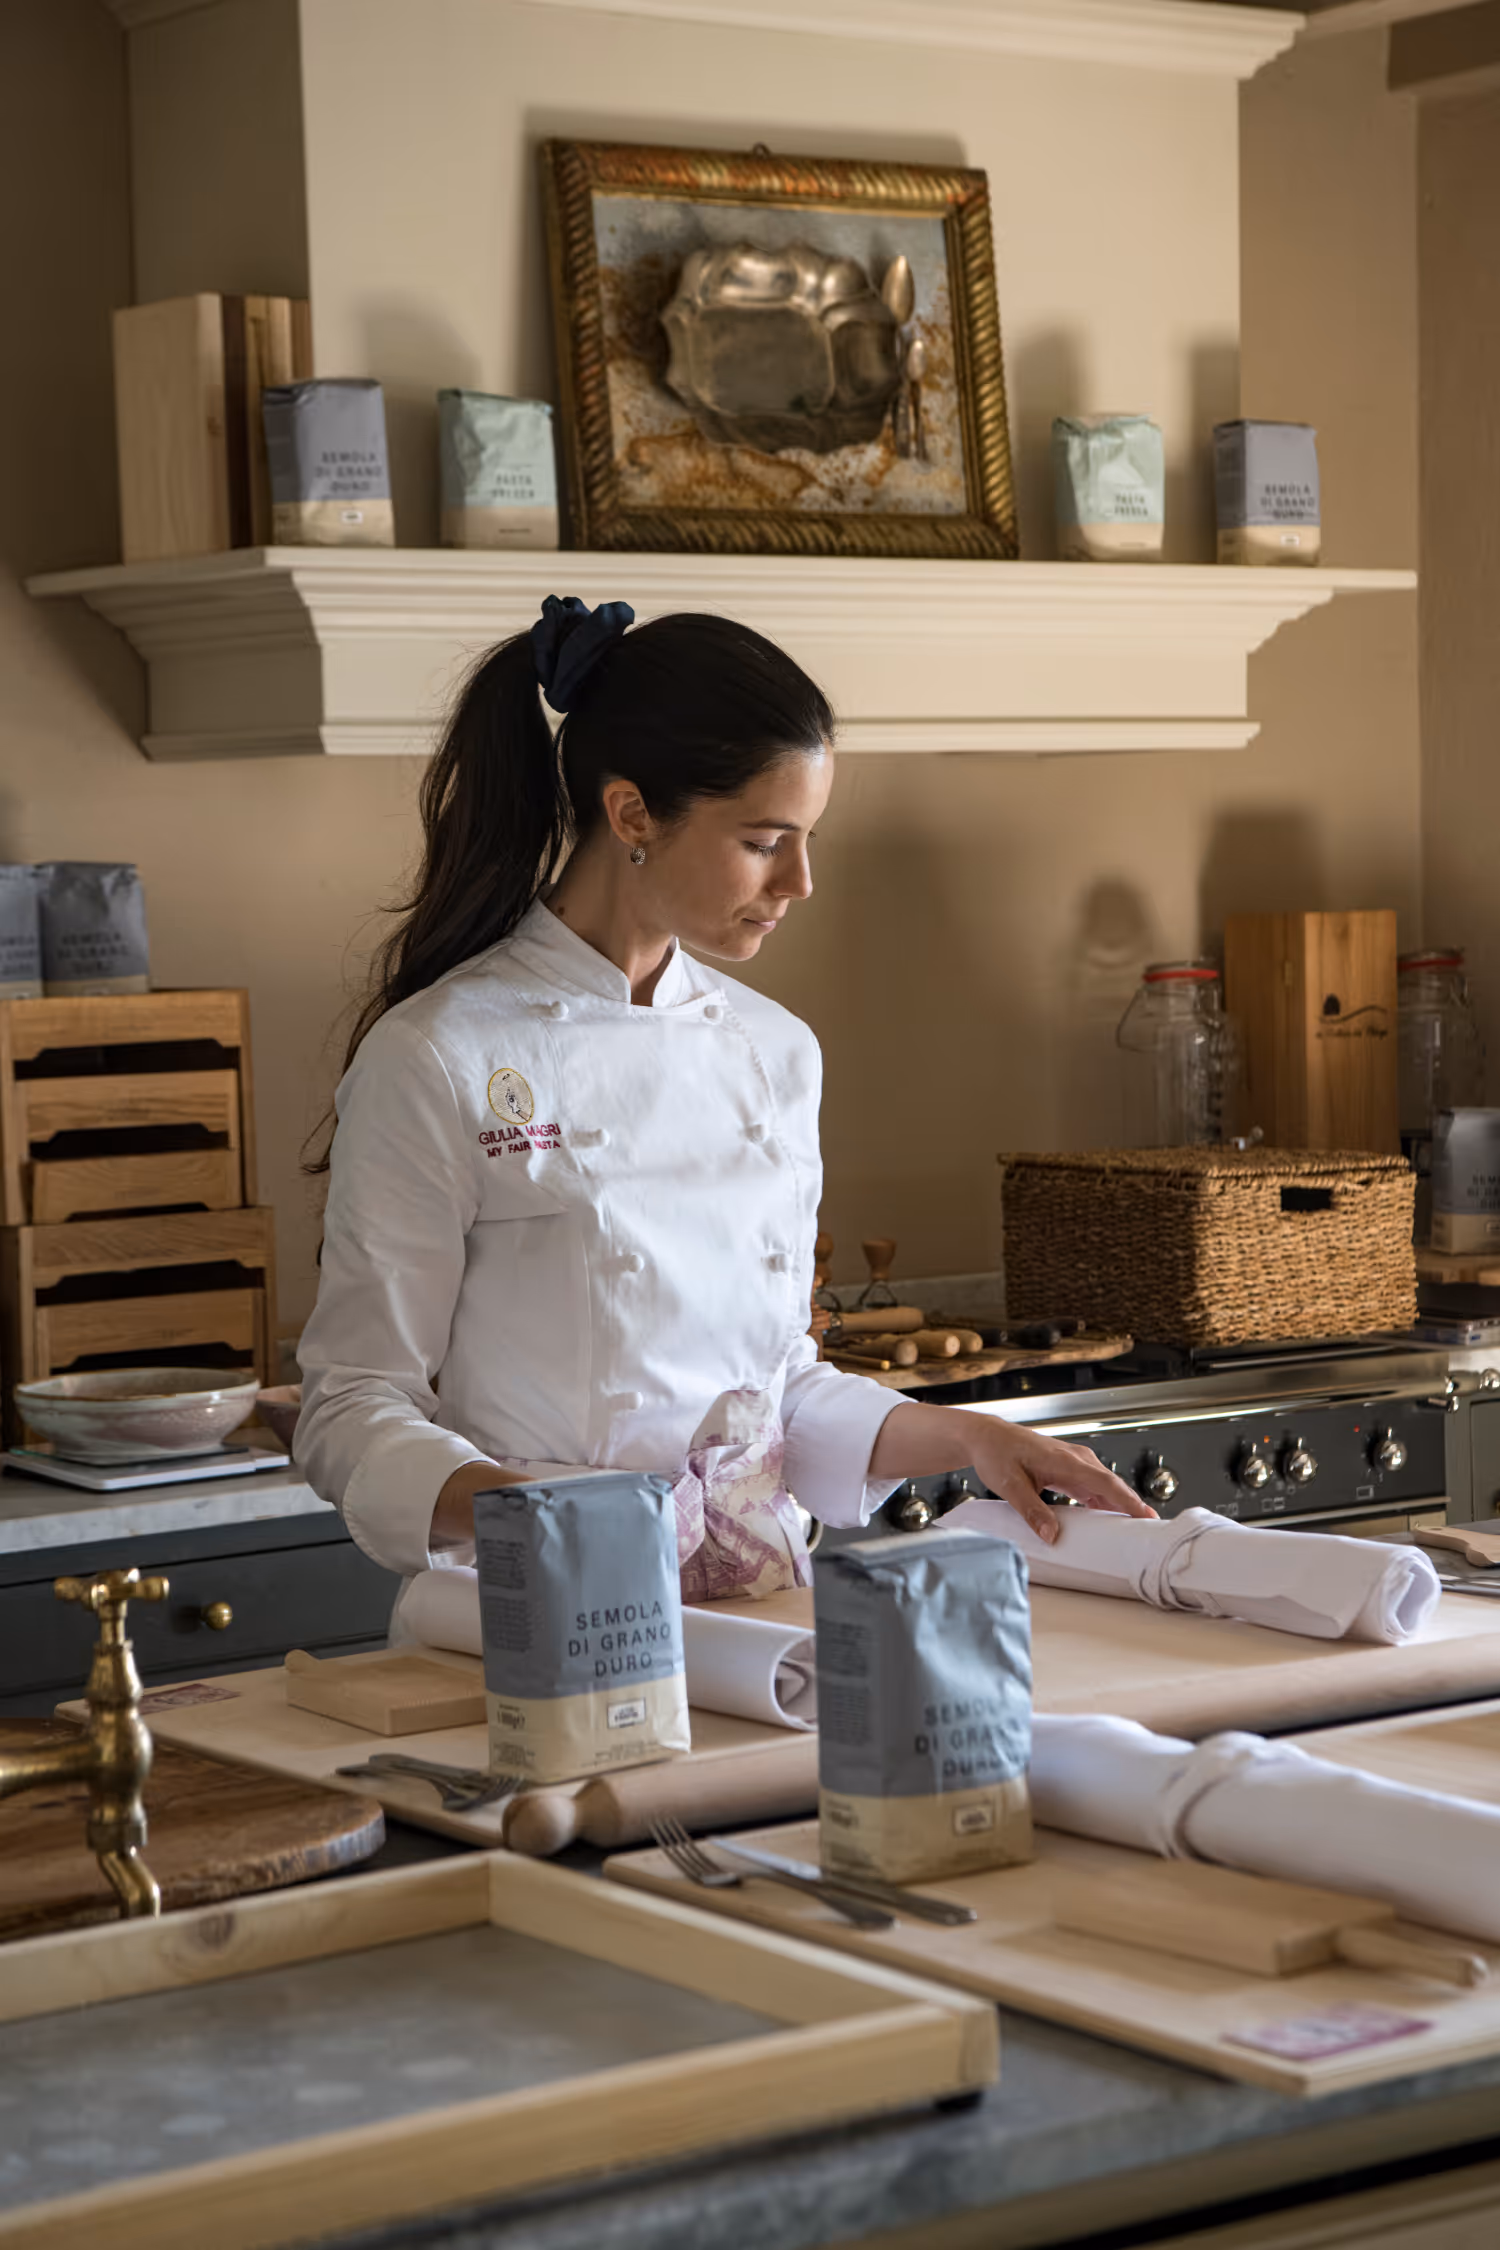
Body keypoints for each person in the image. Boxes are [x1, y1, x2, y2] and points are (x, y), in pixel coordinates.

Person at [296, 597, 1152, 1610]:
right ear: (630, 815)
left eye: (808, 838)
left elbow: (773, 1390)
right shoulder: (440, 1055)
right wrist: (538, 1515)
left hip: (759, 1614)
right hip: (540, 1615)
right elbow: (352, 1404)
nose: (801, 881)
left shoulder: (774, 1052)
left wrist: (970, 1434)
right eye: (765, 840)